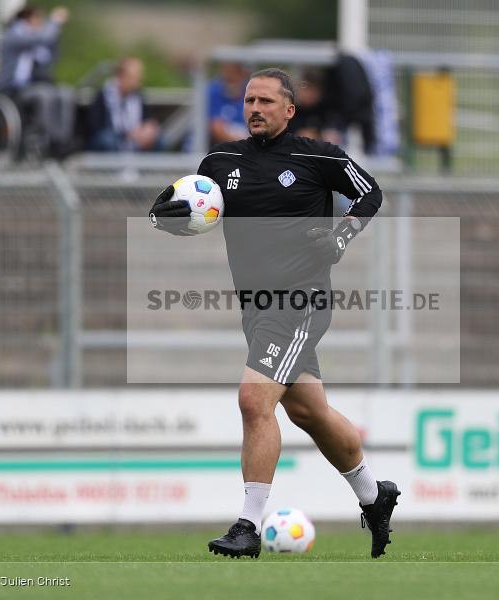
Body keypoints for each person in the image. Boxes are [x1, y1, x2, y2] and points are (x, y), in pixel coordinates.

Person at [149, 68, 399, 559]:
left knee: (252, 399)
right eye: (248, 101)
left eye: (265, 100)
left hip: (301, 300)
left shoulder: (317, 156)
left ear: (289, 109)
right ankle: (375, 494)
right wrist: (167, 217)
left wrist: (341, 235)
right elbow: (183, 211)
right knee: (310, 411)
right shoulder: (219, 161)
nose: (254, 108)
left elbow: (370, 191)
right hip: (256, 307)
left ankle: (248, 525)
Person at [0, 4, 75, 156]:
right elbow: (42, 38)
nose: (40, 23)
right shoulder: (14, 35)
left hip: (36, 85)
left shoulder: (36, 40)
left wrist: (56, 35)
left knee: (65, 93)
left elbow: (52, 56)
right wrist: (55, 22)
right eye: (38, 19)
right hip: (13, 89)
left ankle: (62, 140)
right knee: (44, 96)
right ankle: (48, 140)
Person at [85, 57, 161, 152]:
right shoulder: (103, 95)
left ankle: (148, 166)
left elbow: (148, 117)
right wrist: (127, 134)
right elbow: (95, 127)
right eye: (134, 77)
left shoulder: (138, 95)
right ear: (121, 76)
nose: (138, 81)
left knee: (159, 139)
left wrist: (149, 128)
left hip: (135, 139)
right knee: (107, 140)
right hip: (112, 140)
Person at [207, 63, 250, 144]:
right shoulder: (212, 92)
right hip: (211, 149)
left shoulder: (251, 93)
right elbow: (216, 128)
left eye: (235, 73)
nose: (231, 78)